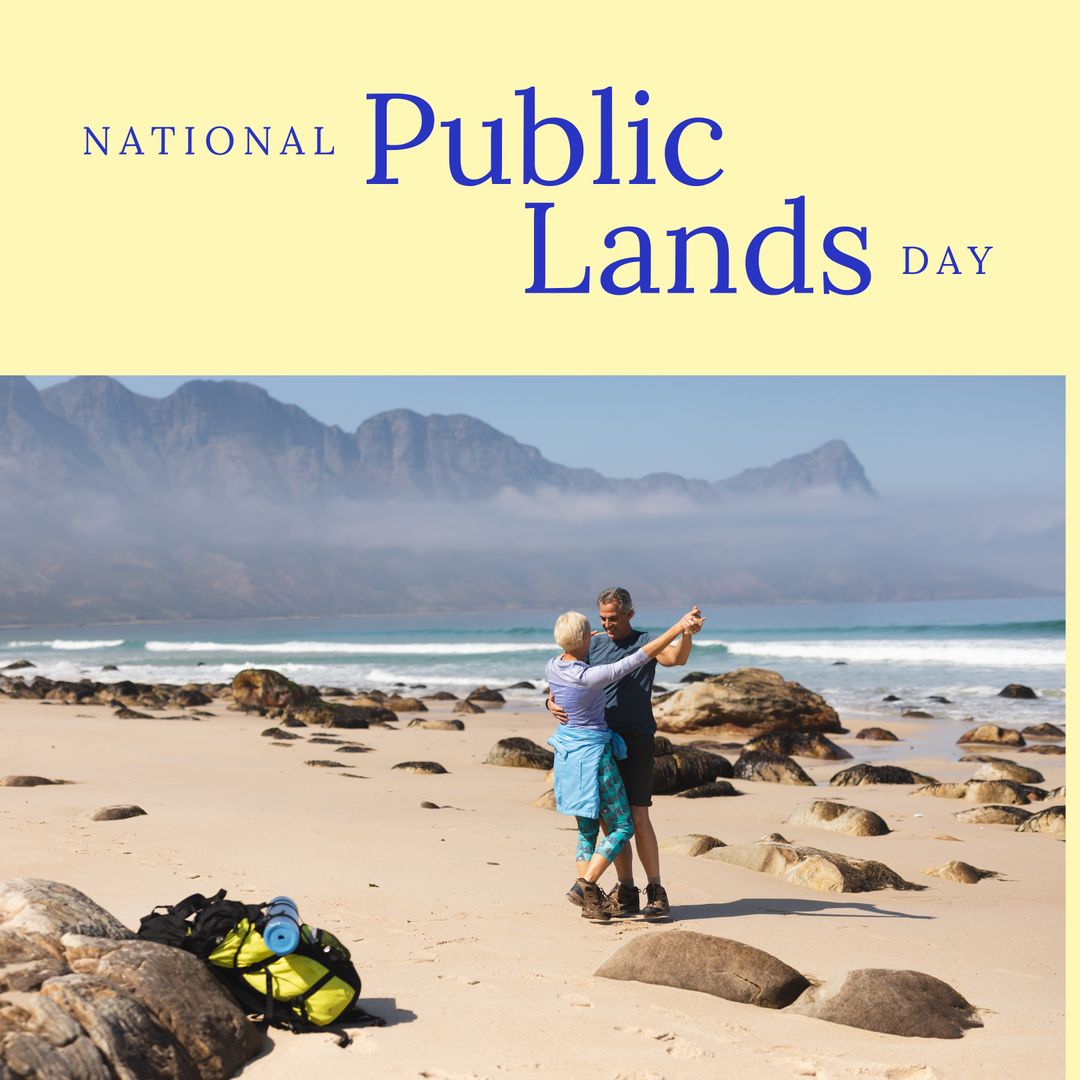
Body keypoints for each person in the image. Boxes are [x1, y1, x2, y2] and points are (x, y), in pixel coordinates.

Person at [547, 588, 702, 919]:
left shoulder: (645, 641)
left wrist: (685, 634)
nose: (607, 624)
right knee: (608, 820)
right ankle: (626, 890)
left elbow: (678, 659)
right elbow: (566, 675)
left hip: (636, 738)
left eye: (613, 618)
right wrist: (549, 702)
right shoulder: (594, 642)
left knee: (638, 817)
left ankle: (656, 891)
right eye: (602, 618)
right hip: (599, 744)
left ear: (630, 615)